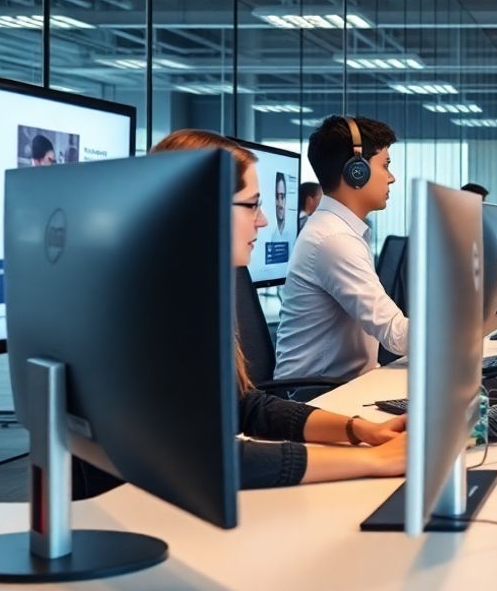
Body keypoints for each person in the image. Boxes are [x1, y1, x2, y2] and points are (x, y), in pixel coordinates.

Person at [148, 130, 407, 488]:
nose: (265, 220)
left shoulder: (193, 296)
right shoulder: (154, 318)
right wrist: (374, 459)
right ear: (204, 207)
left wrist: (359, 430)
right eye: (252, 204)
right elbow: (215, 460)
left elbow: (245, 406)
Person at [275, 116, 410, 381]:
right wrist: (463, 331)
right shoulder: (334, 240)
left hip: (344, 384)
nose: (392, 178)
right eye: (386, 165)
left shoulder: (339, 231)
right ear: (356, 171)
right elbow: (395, 334)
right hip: (316, 396)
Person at [273, 171, 289, 238]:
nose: (280, 204)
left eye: (282, 197)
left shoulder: (291, 234)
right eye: (277, 197)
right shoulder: (273, 237)